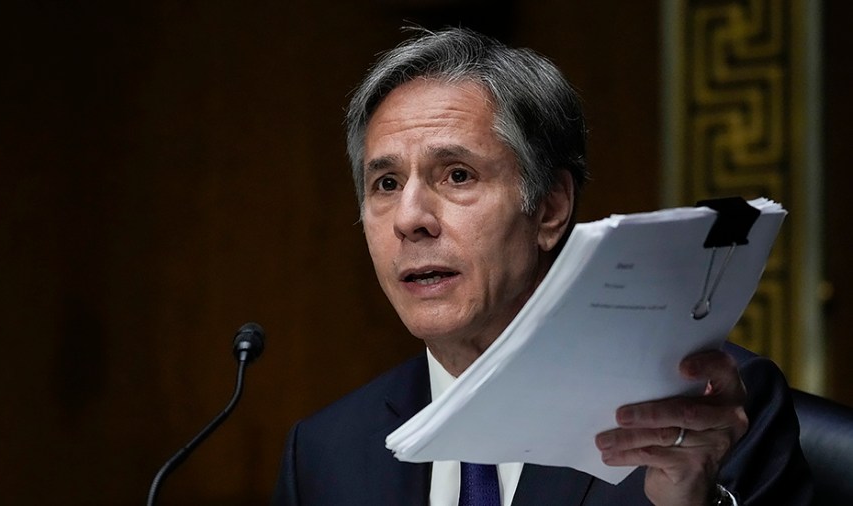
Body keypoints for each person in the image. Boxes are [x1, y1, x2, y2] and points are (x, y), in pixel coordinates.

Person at [272, 27, 812, 506]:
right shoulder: (324, 454)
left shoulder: (697, 409)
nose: (410, 218)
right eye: (385, 184)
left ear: (550, 208)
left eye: (457, 175)